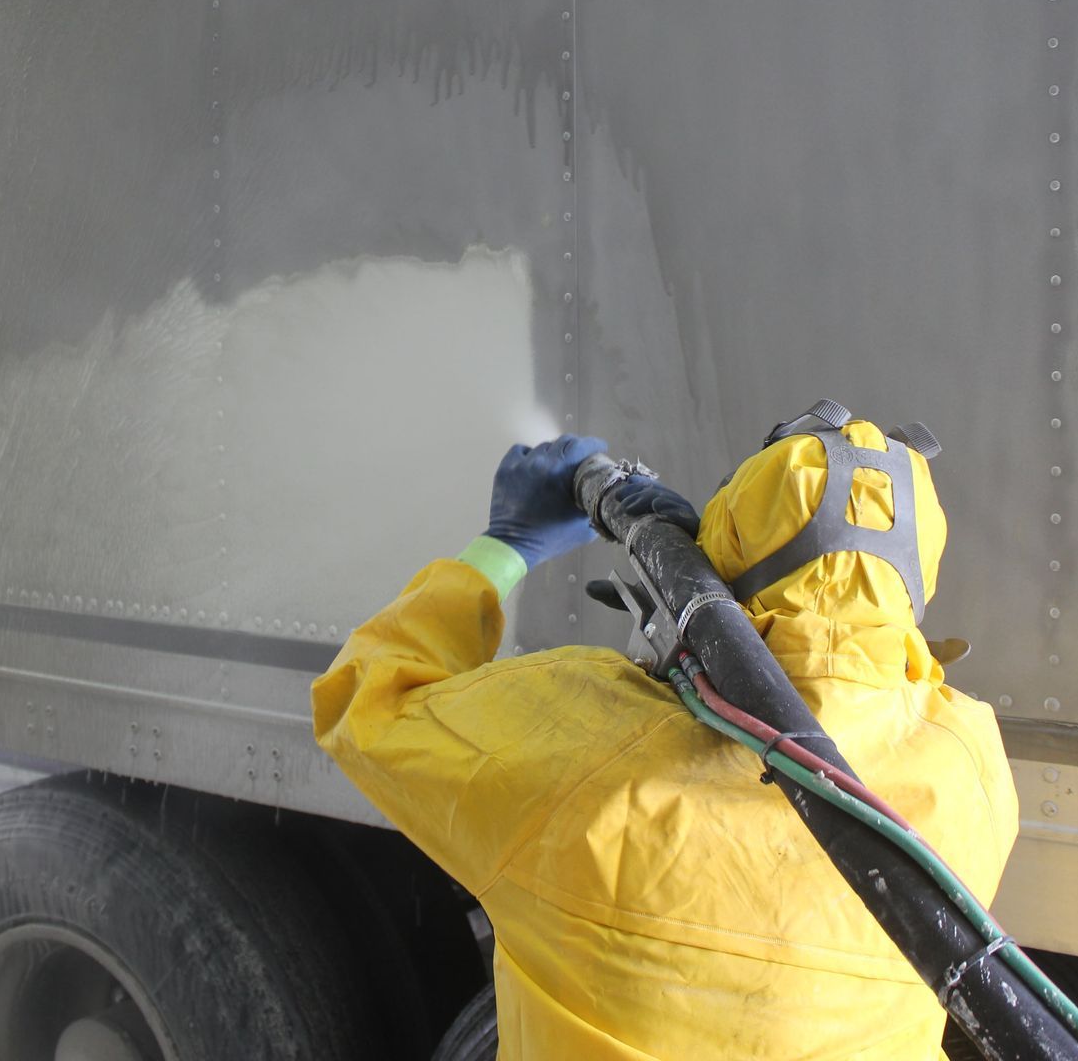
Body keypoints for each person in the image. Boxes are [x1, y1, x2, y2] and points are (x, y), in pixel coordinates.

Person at [312, 410, 1019, 1059]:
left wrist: (506, 546)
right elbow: (856, 648)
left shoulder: (579, 742)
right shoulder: (973, 770)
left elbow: (365, 702)